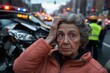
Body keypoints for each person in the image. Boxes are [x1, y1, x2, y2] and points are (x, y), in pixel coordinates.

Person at [13, 13, 108, 73]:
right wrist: (49, 38)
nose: (65, 41)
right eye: (61, 35)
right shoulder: (44, 59)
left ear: (81, 39)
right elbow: (18, 68)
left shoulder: (96, 70)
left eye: (72, 35)